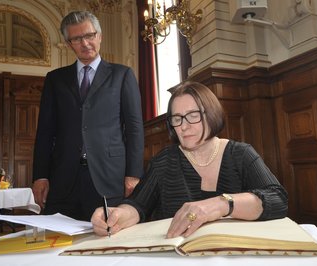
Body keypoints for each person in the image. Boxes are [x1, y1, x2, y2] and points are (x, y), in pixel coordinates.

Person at [91, 80, 288, 238]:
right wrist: (117, 216)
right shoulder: (164, 161)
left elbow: (278, 200)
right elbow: (138, 205)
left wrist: (222, 204)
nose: (183, 126)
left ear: (211, 113)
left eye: (192, 115)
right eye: (177, 118)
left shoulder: (241, 154)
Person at [32, 11, 144, 221]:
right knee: (58, 242)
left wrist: (134, 174)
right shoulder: (55, 80)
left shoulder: (122, 75)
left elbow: (135, 128)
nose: (85, 43)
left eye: (90, 35)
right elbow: (45, 132)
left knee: (109, 241)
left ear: (99, 36)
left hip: (110, 177)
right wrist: (40, 175)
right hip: (64, 178)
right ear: (68, 43)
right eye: (77, 38)